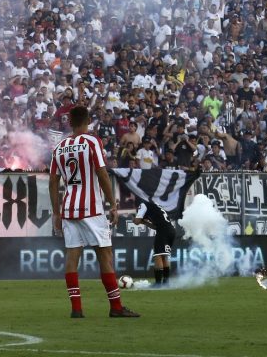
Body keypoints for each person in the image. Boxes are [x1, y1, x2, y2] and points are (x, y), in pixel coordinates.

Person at [49, 106, 140, 318]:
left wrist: (56, 212)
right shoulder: (92, 141)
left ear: (69, 122)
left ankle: (76, 309)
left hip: (69, 208)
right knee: (105, 256)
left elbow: (53, 181)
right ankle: (116, 307)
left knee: (72, 256)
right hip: (91, 207)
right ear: (88, 120)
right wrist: (113, 204)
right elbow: (101, 172)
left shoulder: (59, 147)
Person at [133, 200, 176, 287]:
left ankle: (158, 283)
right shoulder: (155, 206)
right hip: (170, 230)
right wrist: (144, 222)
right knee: (164, 256)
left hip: (163, 231)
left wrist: (136, 219)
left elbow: (137, 221)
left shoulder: (143, 204)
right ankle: (166, 282)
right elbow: (155, 226)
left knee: (158, 256)